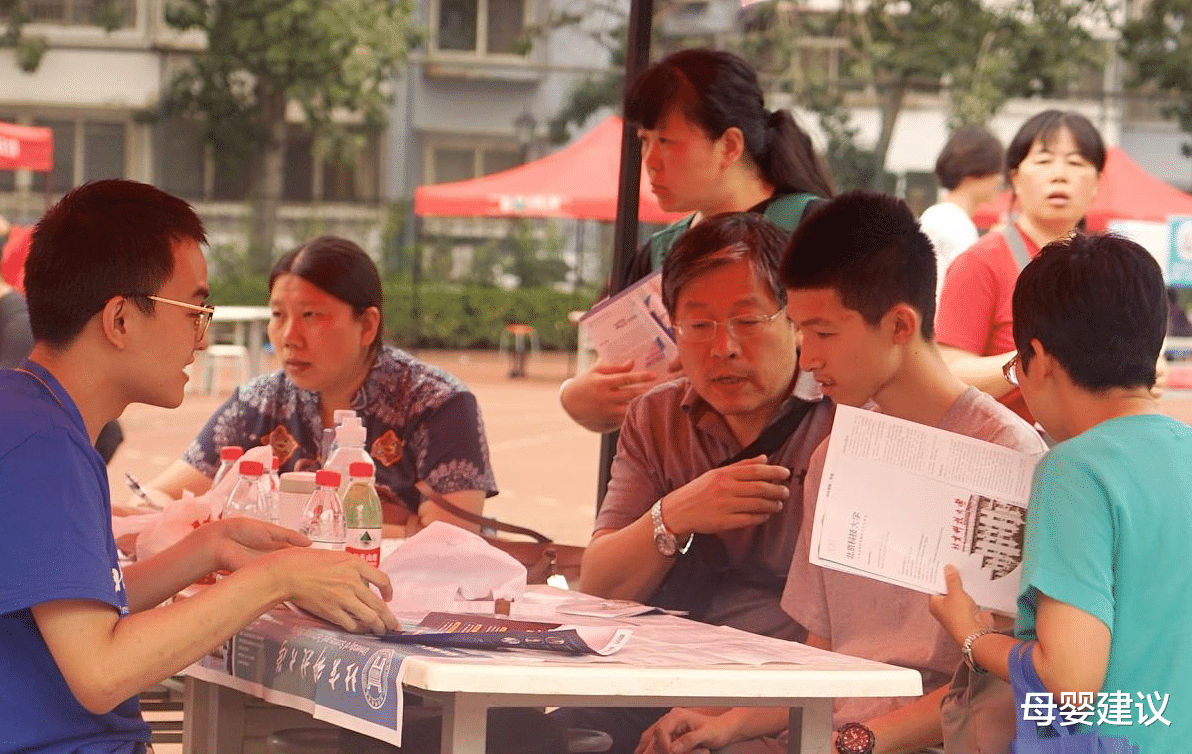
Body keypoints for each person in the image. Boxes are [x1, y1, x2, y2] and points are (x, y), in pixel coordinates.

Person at [637, 192, 1044, 754]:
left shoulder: (1006, 457)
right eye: (800, 331)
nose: (807, 358)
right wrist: (730, 721)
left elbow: (993, 685)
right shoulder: (837, 455)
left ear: (899, 325)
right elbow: (823, 656)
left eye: (824, 333)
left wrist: (855, 743)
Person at [0, 179, 399, 752]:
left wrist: (211, 546)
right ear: (119, 320)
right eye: (193, 310)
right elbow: (101, 671)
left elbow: (77, 609)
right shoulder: (42, 445)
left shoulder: (32, 417)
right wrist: (277, 577)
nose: (201, 339)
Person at [554, 213, 835, 754]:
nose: (722, 347)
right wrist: (675, 514)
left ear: (795, 321)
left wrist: (733, 715)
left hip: (786, 697)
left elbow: (852, 634)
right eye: (699, 325)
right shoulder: (656, 417)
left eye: (747, 320)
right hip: (656, 678)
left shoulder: (843, 416)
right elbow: (600, 587)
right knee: (546, 735)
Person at [930, 232, 1190, 754]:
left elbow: (1070, 684)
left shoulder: (1075, 471)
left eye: (1015, 368)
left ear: (1040, 359)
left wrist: (972, 636)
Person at [140, 235, 497, 534]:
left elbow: (449, 540)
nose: (289, 337)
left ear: (367, 326)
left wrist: (266, 519)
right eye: (278, 315)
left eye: (311, 315)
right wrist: (397, 524)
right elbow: (157, 498)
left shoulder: (438, 404)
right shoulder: (260, 402)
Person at [561, 47, 834, 433]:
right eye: (644, 141)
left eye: (666, 141)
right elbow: (619, 375)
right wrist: (578, 396)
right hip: (681, 463)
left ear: (730, 146)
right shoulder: (657, 254)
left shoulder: (820, 230)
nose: (650, 161)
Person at [935, 110, 1104, 421]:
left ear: (1097, 182)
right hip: (1002, 446)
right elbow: (947, 372)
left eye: (1076, 162)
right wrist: (1031, 361)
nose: (1060, 174)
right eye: (1044, 160)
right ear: (1015, 178)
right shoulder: (981, 262)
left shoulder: (1114, 268)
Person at [918, 125, 1004, 302]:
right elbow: (970, 293)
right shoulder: (955, 225)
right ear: (975, 171)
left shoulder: (939, 216)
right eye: (996, 170)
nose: (1000, 179)